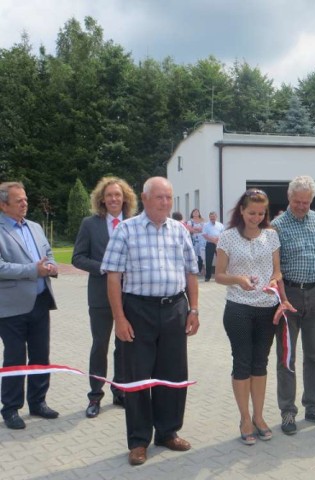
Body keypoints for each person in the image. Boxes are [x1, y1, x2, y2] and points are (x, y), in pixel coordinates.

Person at [101, 177, 199, 466]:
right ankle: (139, 441)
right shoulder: (126, 231)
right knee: (138, 378)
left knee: (173, 374)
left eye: (169, 198)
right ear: (144, 199)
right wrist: (119, 318)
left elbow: (191, 272)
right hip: (138, 312)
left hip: (174, 310)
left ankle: (168, 432)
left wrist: (194, 310)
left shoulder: (179, 231)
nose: (165, 203)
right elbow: (113, 277)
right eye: (160, 198)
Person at [215, 189, 294, 445]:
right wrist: (238, 279)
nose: (256, 217)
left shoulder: (271, 236)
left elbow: (278, 272)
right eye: (252, 213)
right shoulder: (227, 237)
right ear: (241, 211)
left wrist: (276, 286)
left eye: (261, 213)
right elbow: (219, 275)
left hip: (267, 308)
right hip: (238, 307)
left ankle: (260, 417)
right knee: (242, 363)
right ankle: (245, 419)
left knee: (261, 363)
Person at [271, 175, 315, 435]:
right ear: (289, 198)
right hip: (289, 296)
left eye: (306, 202)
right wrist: (281, 299)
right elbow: (273, 268)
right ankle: (288, 412)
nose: (301, 206)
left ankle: (313, 407)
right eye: (297, 201)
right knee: (286, 357)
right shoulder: (276, 226)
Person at [72, 176, 137, 418]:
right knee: (100, 345)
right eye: (109, 195)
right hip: (100, 295)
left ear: (125, 198)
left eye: (118, 195)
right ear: (102, 199)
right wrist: (105, 267)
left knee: (124, 345)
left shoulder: (134, 223)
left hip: (130, 295)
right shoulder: (90, 224)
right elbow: (77, 257)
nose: (113, 199)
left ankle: (120, 391)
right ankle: (95, 396)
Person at [0, 181, 59, 430]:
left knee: (40, 354)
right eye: (19, 200)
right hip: (11, 306)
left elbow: (48, 253)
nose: (25, 203)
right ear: (3, 205)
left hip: (40, 301)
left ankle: (38, 402)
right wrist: (32, 270)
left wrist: (52, 267)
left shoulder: (35, 227)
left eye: (25, 199)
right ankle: (11, 408)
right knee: (15, 357)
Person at [203, 211, 224, 282]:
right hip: (210, 244)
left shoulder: (220, 225)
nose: (212, 218)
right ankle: (207, 276)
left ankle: (221, 276)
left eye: (213, 217)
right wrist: (213, 240)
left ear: (216, 217)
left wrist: (217, 240)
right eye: (211, 217)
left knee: (221, 260)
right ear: (209, 217)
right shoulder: (206, 225)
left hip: (219, 244)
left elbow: (223, 234)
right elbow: (204, 235)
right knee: (208, 260)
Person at [186, 209, 206, 275]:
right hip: (194, 240)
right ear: (192, 213)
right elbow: (190, 230)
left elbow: (204, 229)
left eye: (197, 212)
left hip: (202, 240)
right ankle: (196, 270)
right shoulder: (190, 221)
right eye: (194, 212)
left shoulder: (202, 221)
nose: (196, 213)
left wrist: (195, 229)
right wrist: (198, 230)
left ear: (199, 213)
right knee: (195, 255)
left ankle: (201, 269)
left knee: (202, 254)